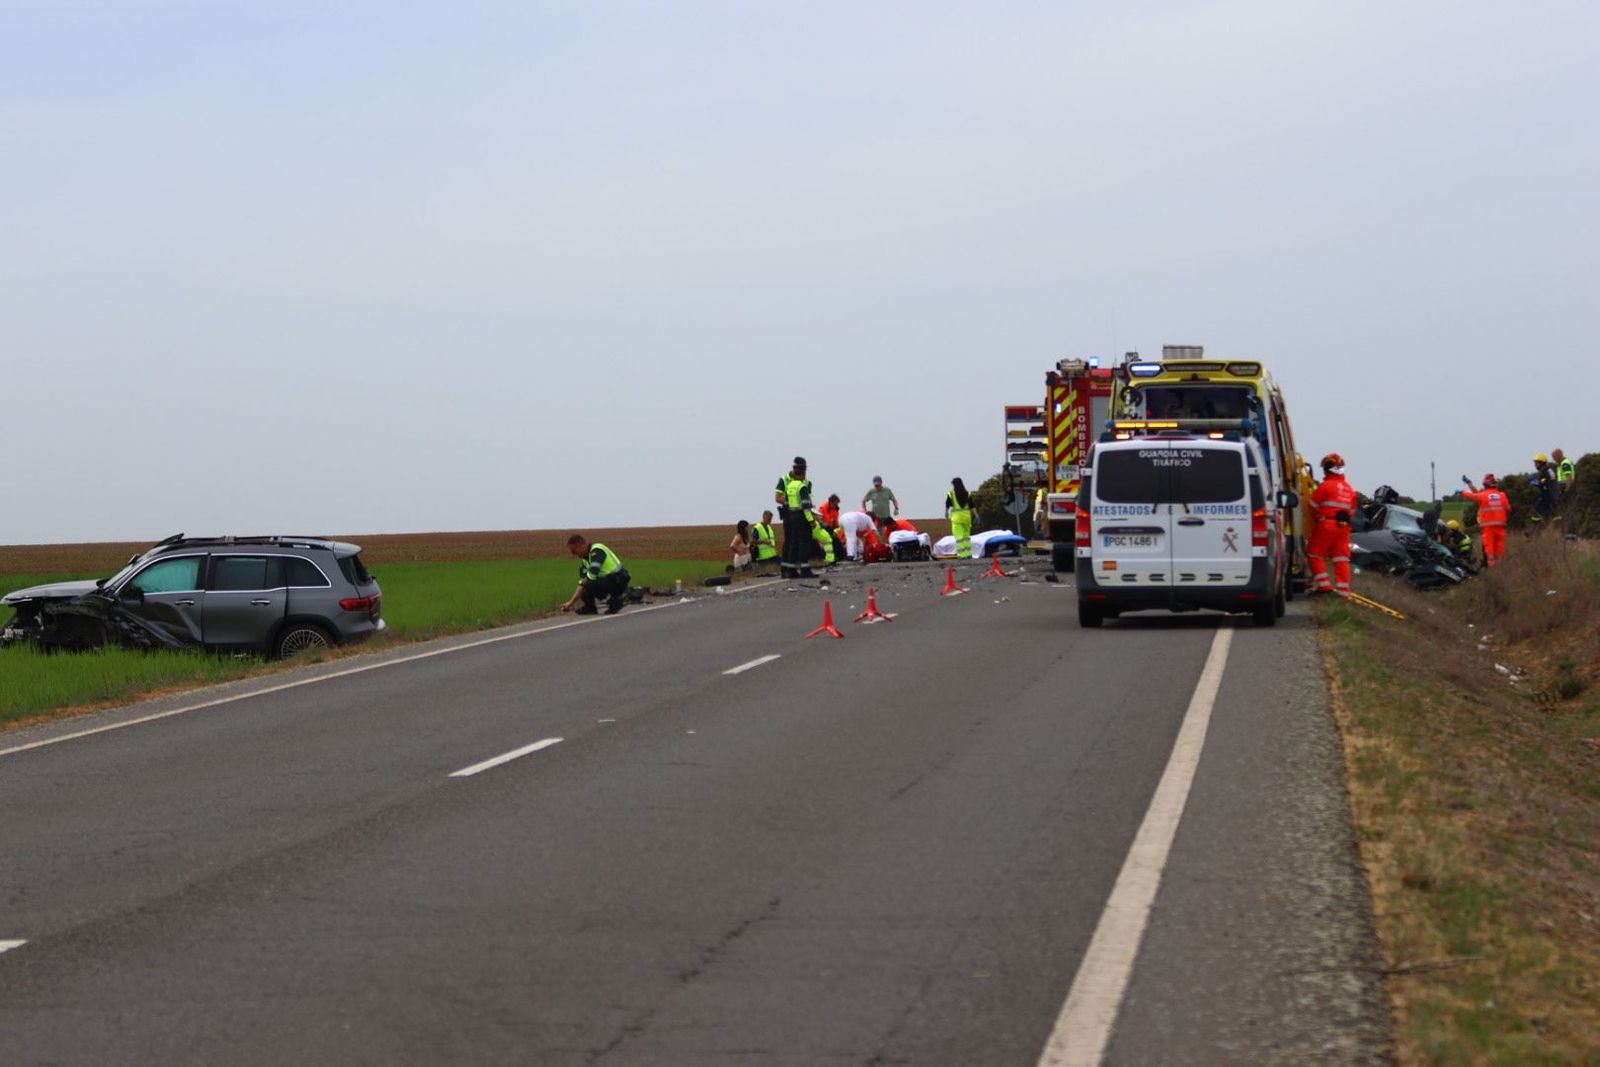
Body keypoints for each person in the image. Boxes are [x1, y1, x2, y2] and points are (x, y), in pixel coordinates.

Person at [1307, 452, 1356, 598]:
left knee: (1314, 554)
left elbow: (1312, 504)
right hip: (1344, 527)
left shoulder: (1326, 486)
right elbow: (1352, 511)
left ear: (1327, 469)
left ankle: (1325, 586)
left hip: (1327, 523)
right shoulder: (1349, 489)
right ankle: (1343, 593)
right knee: (1341, 559)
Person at [561, 534, 631, 615]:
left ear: (581, 546)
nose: (573, 554)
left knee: (589, 583)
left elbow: (591, 576)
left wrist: (571, 603)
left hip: (619, 580)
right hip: (609, 581)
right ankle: (590, 607)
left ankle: (614, 603)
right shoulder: (585, 560)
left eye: (574, 551)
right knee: (584, 585)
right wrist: (571, 602)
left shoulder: (597, 550)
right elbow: (582, 582)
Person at [774, 456, 815, 578]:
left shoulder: (807, 482)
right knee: (790, 541)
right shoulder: (784, 479)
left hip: (796, 514)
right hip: (790, 514)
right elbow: (778, 497)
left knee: (796, 542)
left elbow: (809, 500)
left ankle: (792, 568)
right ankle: (786, 569)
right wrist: (791, 503)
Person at [1461, 473, 1510, 567]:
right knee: (1499, 551)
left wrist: (1462, 492)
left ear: (1485, 484)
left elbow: (1474, 496)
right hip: (1501, 527)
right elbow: (1508, 509)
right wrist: (1469, 483)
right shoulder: (1502, 495)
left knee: (1489, 551)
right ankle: (1500, 570)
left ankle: (1492, 571)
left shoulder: (1484, 495)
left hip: (1488, 528)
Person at [945, 477, 974, 559]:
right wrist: (977, 515)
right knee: (966, 537)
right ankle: (968, 553)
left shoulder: (951, 494)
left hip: (957, 519)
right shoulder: (967, 493)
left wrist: (946, 512)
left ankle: (962, 555)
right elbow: (972, 505)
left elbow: (948, 504)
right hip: (967, 518)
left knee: (959, 538)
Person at [1531, 453, 1557, 522]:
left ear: (1541, 463)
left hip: (1547, 496)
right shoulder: (1548, 470)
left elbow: (1544, 481)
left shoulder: (1544, 471)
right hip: (1552, 495)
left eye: (1536, 463)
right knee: (1550, 515)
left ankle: (1536, 529)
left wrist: (1535, 482)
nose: (1535, 465)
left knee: (1537, 513)